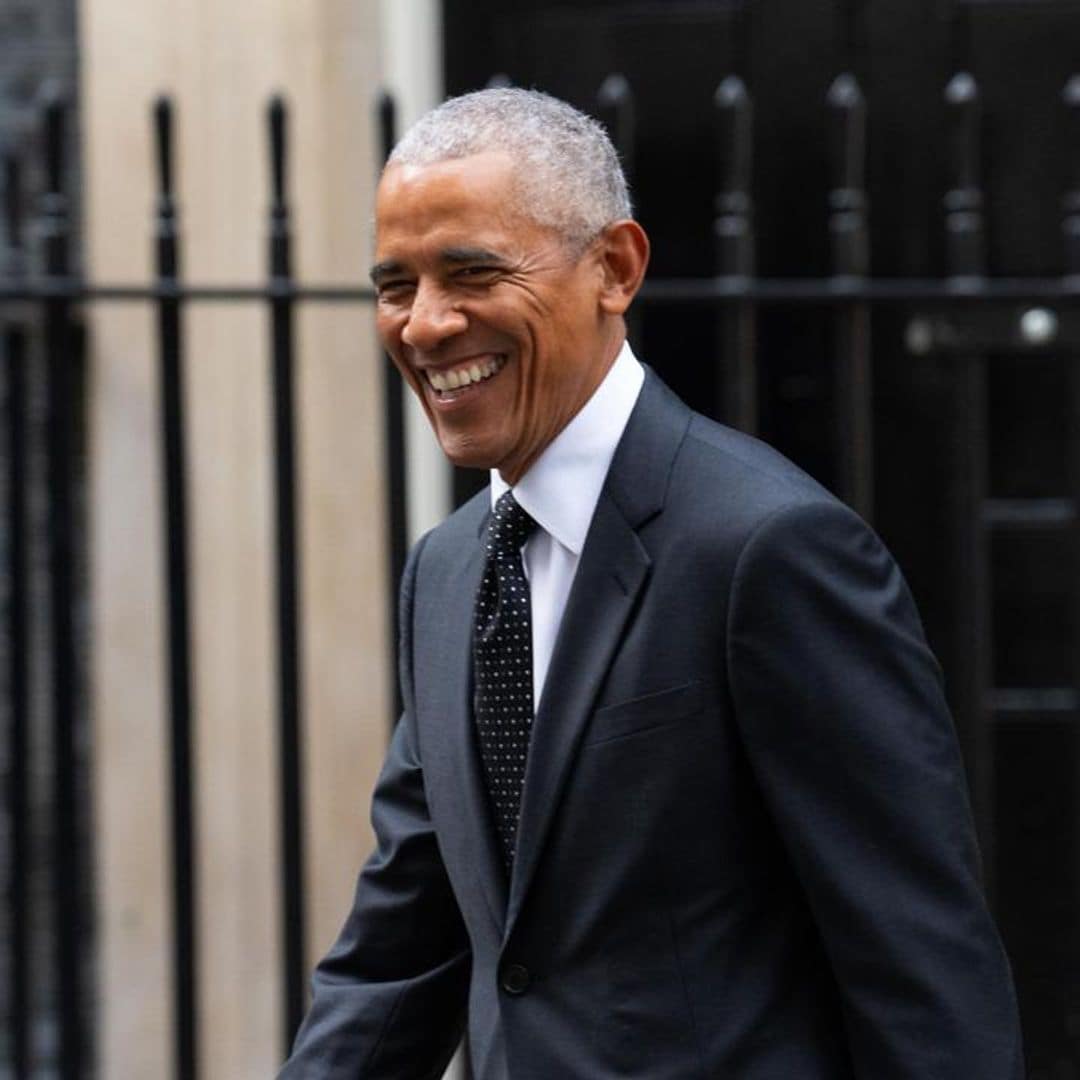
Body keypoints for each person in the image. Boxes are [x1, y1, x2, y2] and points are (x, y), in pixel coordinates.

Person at [280, 88, 1023, 1079]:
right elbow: (398, 952)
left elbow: (923, 976)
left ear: (615, 268)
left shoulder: (771, 550)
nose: (424, 325)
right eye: (394, 284)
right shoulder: (449, 571)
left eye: (473, 272)